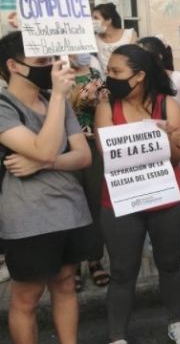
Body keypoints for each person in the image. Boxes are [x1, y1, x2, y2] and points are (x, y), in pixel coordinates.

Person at [95, 44, 180, 344]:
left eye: (116, 72)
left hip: (167, 198)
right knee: (123, 271)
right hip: (119, 201)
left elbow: (176, 157)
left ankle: (177, 323)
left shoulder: (168, 105)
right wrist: (157, 136)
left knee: (170, 264)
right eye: (108, 71)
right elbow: (106, 152)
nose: (108, 77)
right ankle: (117, 337)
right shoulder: (105, 106)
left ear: (138, 76)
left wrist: (173, 142)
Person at [0, 31, 91, 344]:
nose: (51, 67)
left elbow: (82, 156)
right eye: (42, 61)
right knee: (27, 296)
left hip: (69, 211)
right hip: (28, 219)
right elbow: (44, 147)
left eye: (53, 60)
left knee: (65, 284)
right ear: (13, 65)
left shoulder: (55, 102)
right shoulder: (5, 106)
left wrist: (43, 164)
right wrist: (56, 98)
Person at [138, 37, 180, 266]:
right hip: (151, 144)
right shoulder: (137, 81)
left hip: (179, 141)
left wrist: (169, 114)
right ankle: (157, 240)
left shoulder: (176, 77)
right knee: (152, 191)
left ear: (157, 57)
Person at [68, 53, 108, 292]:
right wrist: (74, 98)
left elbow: (105, 107)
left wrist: (98, 101)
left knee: (96, 202)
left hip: (93, 145)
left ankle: (95, 259)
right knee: (70, 205)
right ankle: (72, 264)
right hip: (67, 147)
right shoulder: (55, 78)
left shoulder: (96, 76)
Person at [93, 3, 138, 72]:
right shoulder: (95, 39)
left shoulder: (130, 34)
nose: (92, 21)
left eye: (95, 18)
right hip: (105, 80)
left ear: (108, 20)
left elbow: (135, 60)